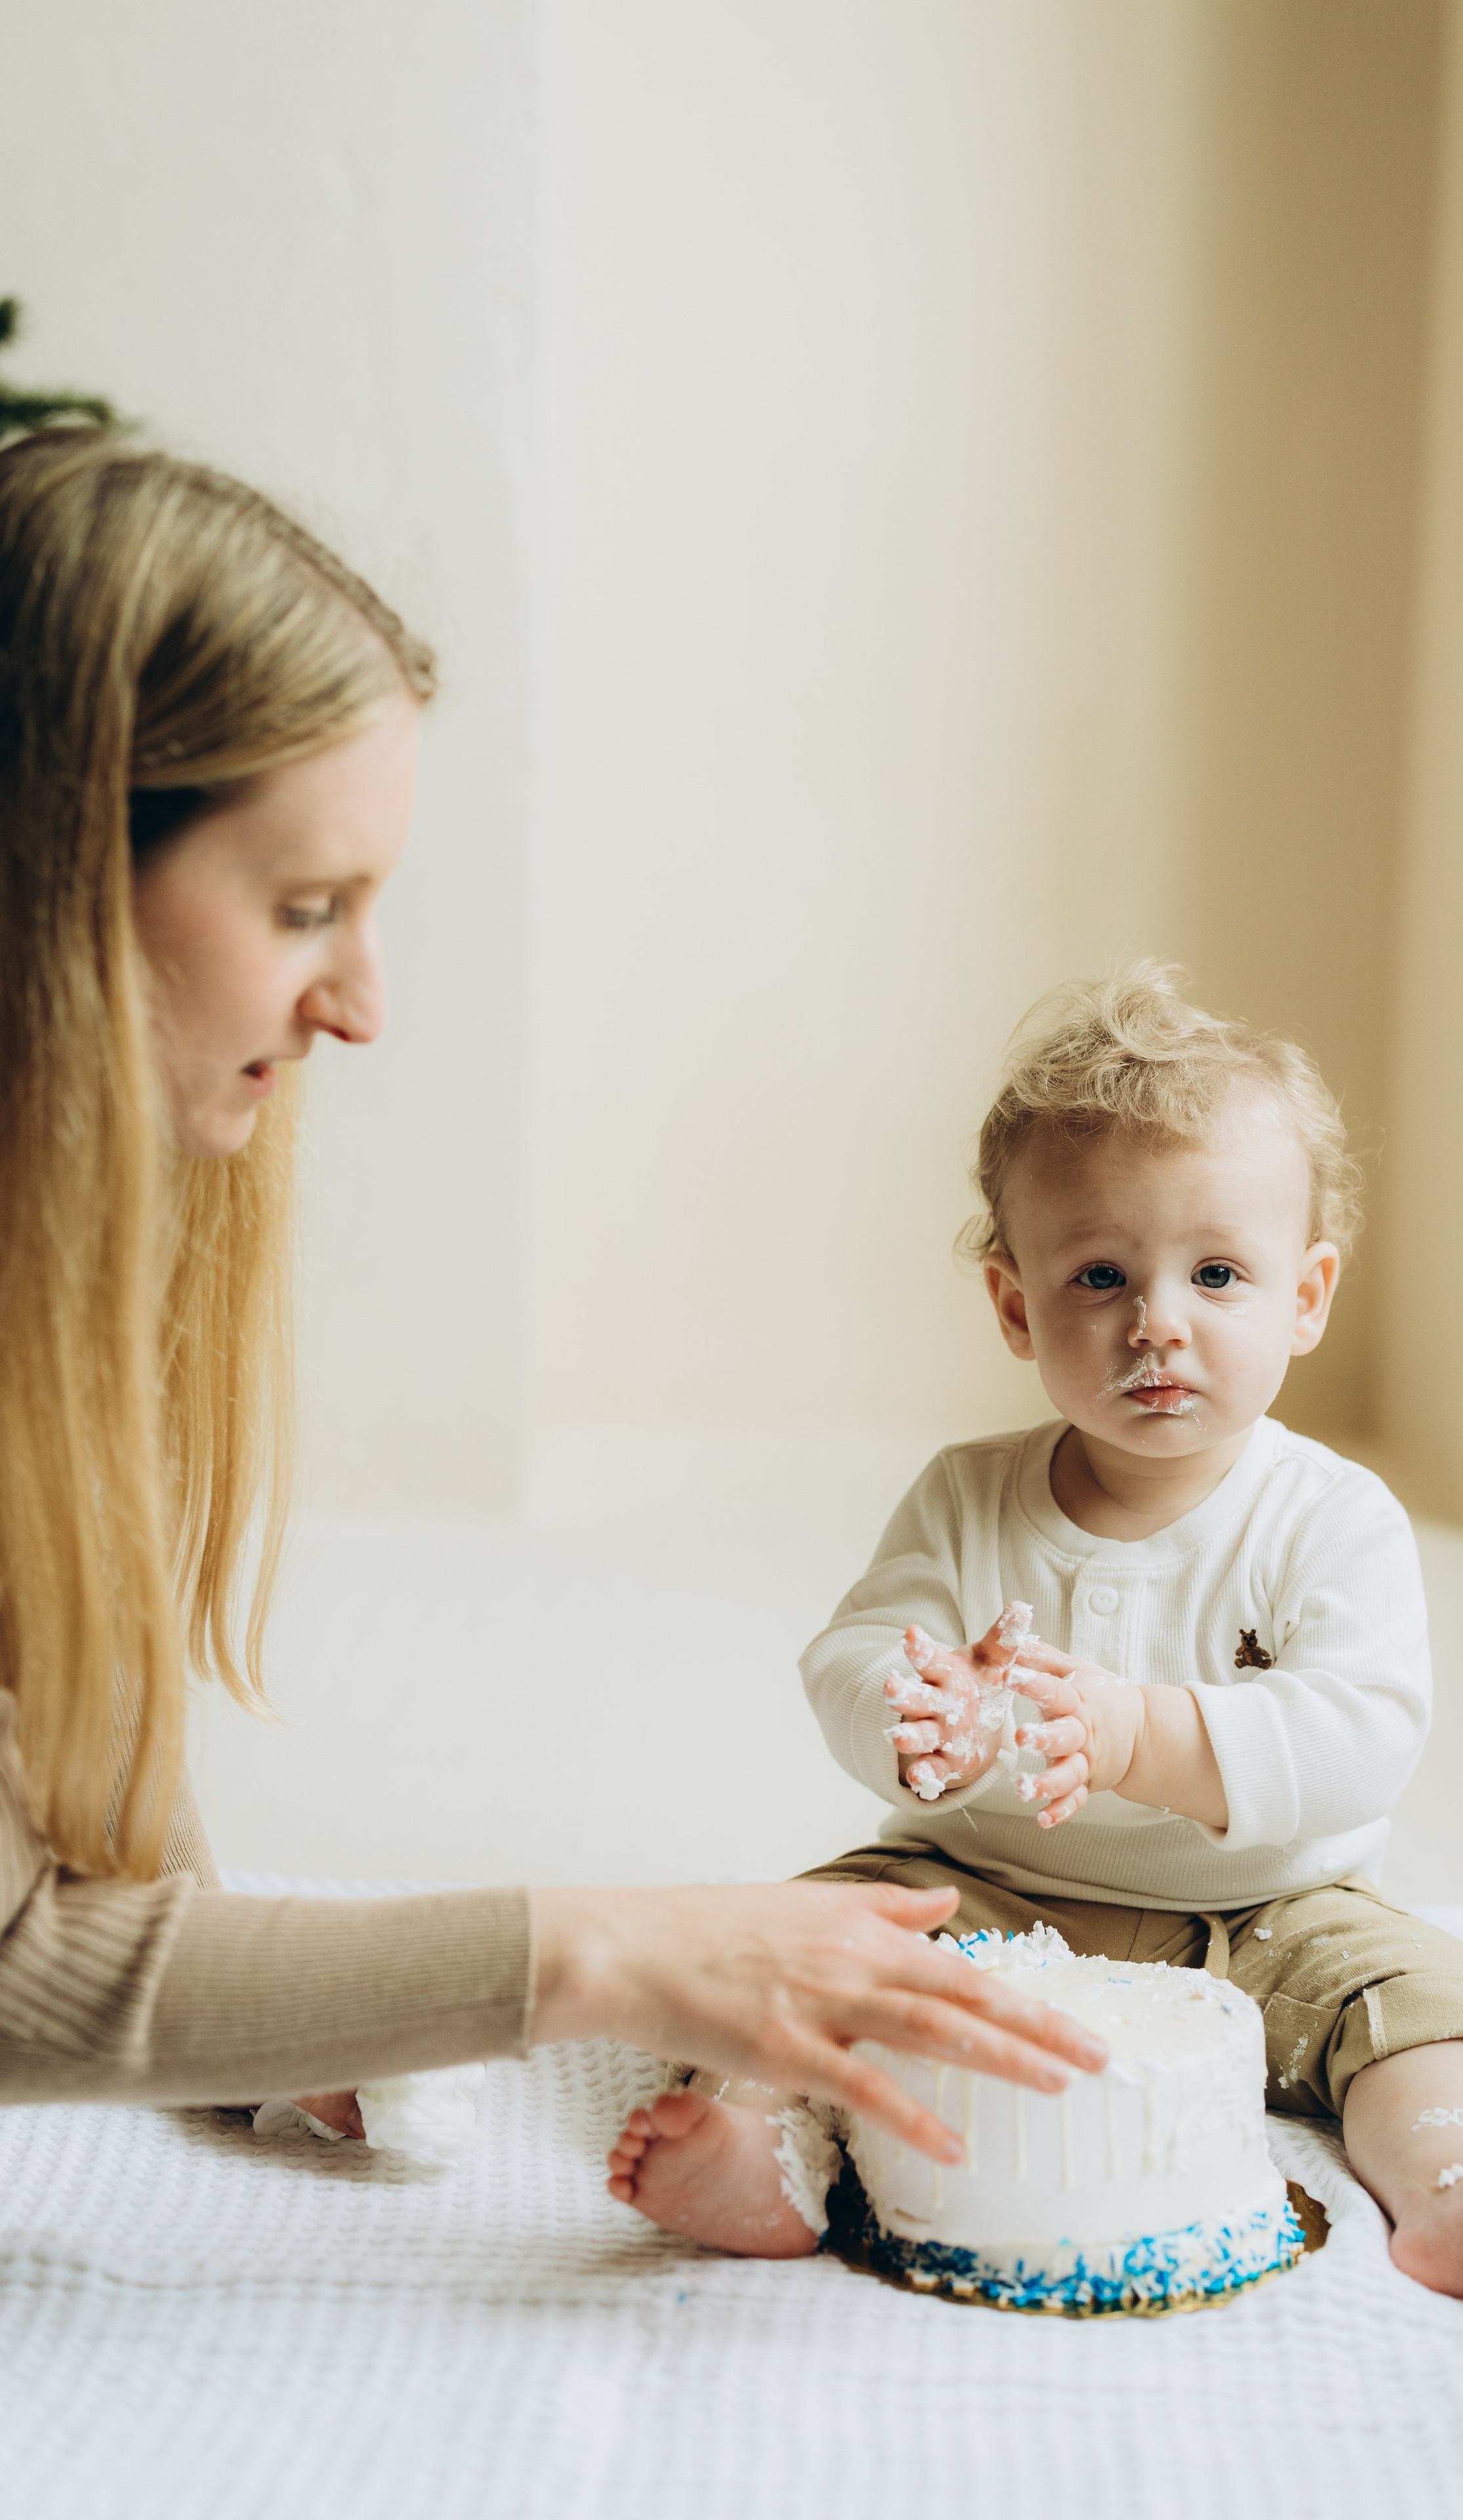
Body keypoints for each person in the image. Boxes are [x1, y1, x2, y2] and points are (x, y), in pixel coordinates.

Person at [0, 429, 1106, 2152]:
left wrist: (260, 2000)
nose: (362, 1004)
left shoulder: (66, 1248)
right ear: (48, 877)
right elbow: (16, 1968)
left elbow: (77, 1826)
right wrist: (594, 1950)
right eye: (305, 909)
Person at [609, 965, 1463, 2317]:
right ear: (1012, 1308)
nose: (1156, 1320)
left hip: (1268, 1910)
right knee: (803, 1940)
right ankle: (758, 2146)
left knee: (1429, 1997)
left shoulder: (1324, 1517)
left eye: (1216, 1272)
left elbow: (1361, 1736)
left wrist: (1139, 1737)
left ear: (1304, 1295)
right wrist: (918, 1720)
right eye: (1098, 1275)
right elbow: (852, 1653)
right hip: (982, 1887)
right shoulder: (964, 1494)